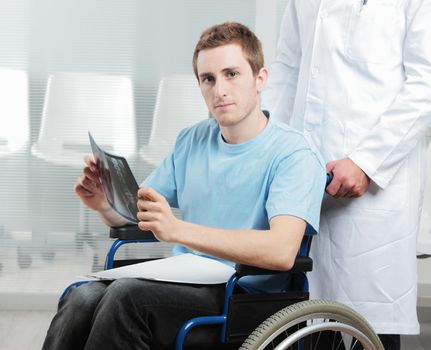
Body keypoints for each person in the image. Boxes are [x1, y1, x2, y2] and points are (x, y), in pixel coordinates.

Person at [42, 22, 326, 350]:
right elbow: (144, 213)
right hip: (184, 280)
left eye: (231, 74)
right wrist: (105, 205)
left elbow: (281, 251)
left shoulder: (293, 153)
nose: (219, 90)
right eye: (208, 79)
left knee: (125, 298)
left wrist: (177, 230)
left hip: (246, 296)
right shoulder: (192, 140)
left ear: (260, 78)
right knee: (82, 296)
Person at [261, 1, 431, 349]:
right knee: (302, 320)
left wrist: (366, 161)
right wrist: (264, 147)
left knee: (366, 329)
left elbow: (425, 84)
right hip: (302, 180)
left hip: (370, 191)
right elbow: (288, 67)